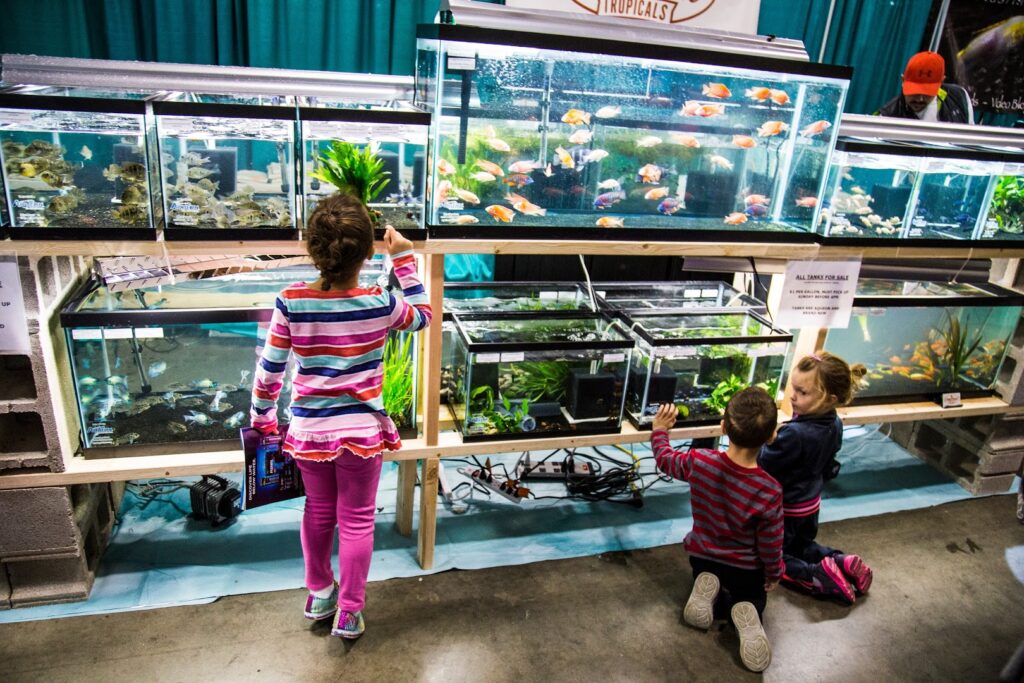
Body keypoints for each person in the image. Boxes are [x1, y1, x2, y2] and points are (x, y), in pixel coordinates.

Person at [250, 192, 431, 639]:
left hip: (310, 432)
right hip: (362, 434)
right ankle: (350, 611)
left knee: (317, 511)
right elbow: (424, 316)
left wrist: (262, 418)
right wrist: (404, 259)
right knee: (356, 520)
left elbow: (270, 367)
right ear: (369, 251)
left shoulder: (291, 300)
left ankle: (318, 592)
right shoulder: (380, 303)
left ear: (313, 248)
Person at [651, 388, 783, 673]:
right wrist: (774, 573)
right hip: (746, 569)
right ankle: (747, 609)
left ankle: (705, 583)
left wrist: (660, 430)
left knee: (707, 572)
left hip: (703, 555)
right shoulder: (769, 489)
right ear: (772, 435)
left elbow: (665, 459)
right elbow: (771, 544)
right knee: (753, 595)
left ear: (723, 427)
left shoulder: (700, 461)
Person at [757, 352, 871, 606]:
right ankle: (841, 561)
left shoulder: (794, 435)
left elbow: (764, 463)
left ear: (830, 398)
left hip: (785, 510)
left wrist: (766, 441)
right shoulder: (836, 423)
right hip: (810, 506)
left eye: (802, 392)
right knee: (802, 545)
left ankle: (817, 576)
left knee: (774, 557)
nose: (792, 396)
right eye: (792, 387)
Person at [875, 51, 972, 124]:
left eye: (927, 93)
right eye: (914, 91)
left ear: (941, 82)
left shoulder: (959, 96)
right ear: (903, 80)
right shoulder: (885, 117)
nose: (919, 99)